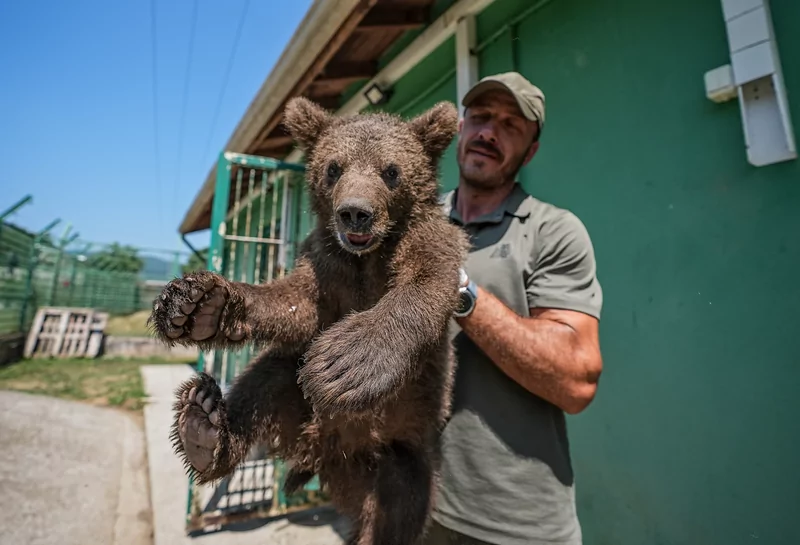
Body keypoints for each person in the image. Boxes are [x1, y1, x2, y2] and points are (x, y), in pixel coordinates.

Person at [425, 72, 604, 545]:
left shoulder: (552, 232)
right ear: (461, 128)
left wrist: (460, 291)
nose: (489, 132)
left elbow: (577, 381)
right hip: (413, 501)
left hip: (515, 522)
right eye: (481, 117)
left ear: (530, 151)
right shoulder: (416, 222)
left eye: (510, 125)